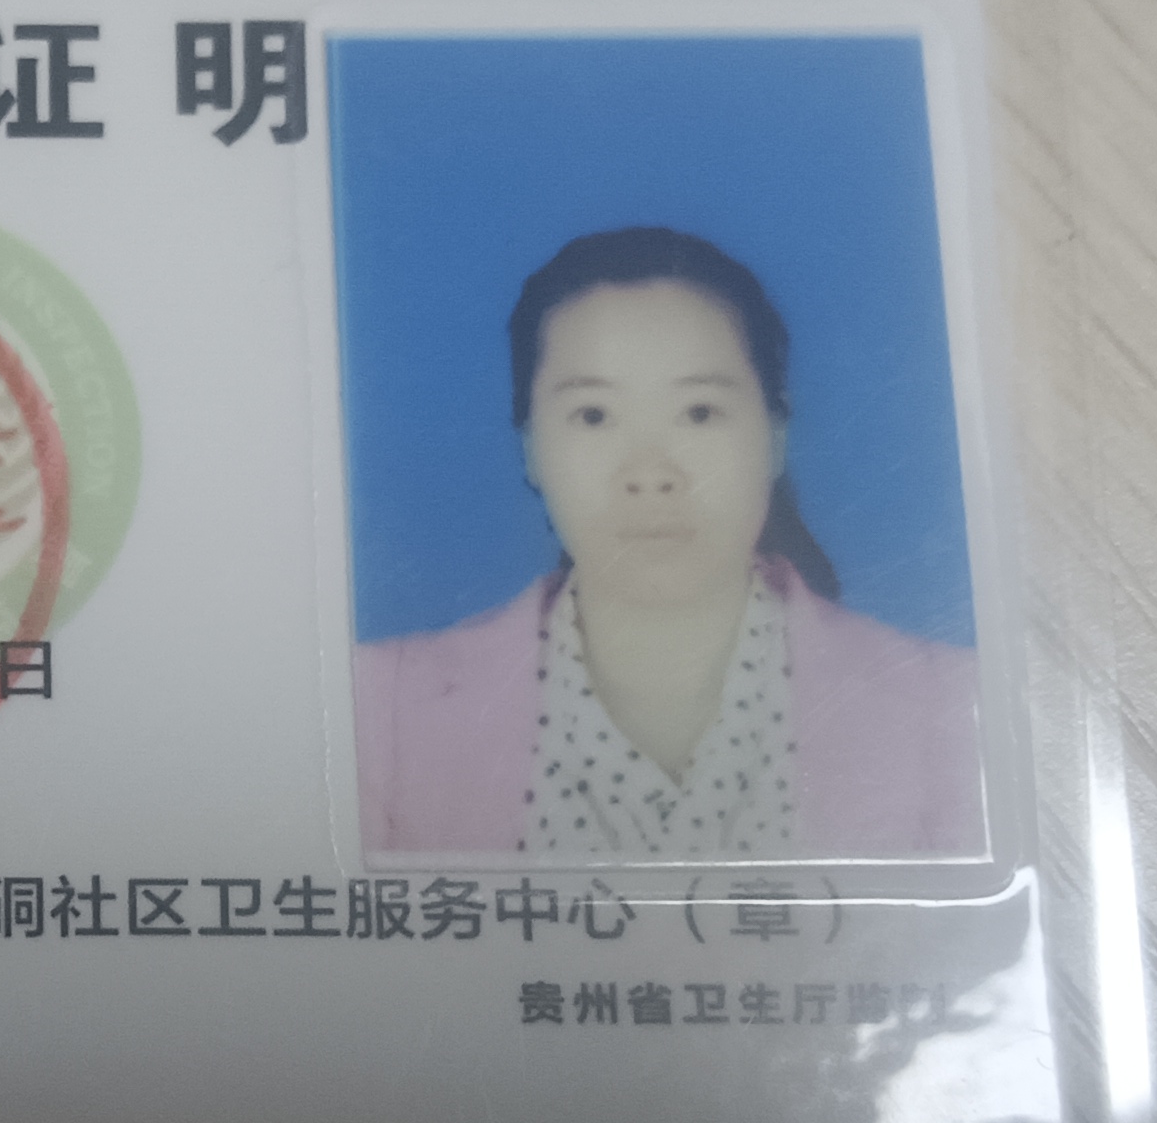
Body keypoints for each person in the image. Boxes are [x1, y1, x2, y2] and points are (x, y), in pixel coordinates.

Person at [352, 225, 983, 859]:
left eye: (699, 412)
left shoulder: (953, 709)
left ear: (774, 437)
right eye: (594, 415)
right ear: (532, 449)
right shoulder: (378, 714)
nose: (650, 474)